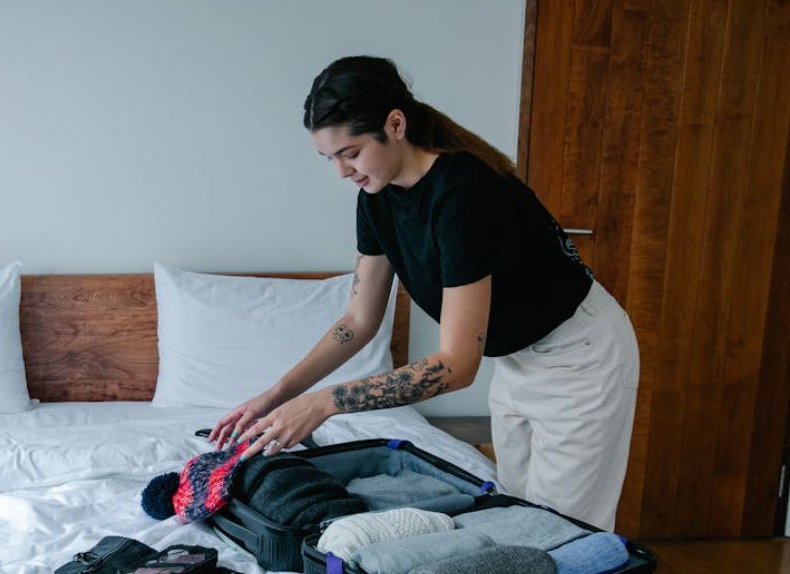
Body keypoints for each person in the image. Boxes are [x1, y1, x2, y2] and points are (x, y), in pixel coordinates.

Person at [209, 56, 639, 530]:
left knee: (564, 534)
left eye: (350, 153)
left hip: (579, 357)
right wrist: (278, 395)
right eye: (330, 158)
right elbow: (358, 321)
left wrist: (326, 402)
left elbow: (457, 366)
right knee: (522, 519)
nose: (341, 172)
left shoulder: (464, 194)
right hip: (518, 361)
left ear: (395, 124)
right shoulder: (376, 198)